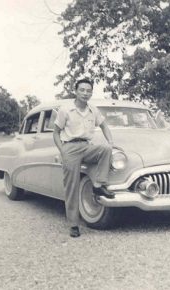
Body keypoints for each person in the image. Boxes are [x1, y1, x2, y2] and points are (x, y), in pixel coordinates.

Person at [53, 78, 115, 238]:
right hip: (70, 148)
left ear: (91, 93)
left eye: (88, 90)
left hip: (86, 146)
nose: (85, 93)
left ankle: (98, 185)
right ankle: (74, 225)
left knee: (106, 150)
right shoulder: (65, 110)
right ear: (76, 91)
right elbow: (56, 132)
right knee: (72, 187)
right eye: (82, 90)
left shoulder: (93, 110)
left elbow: (104, 126)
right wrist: (63, 151)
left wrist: (111, 142)